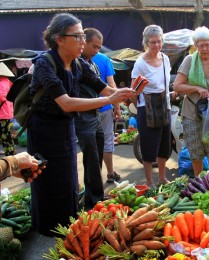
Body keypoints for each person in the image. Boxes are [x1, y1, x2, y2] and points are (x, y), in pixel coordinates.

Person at [28, 13, 135, 236]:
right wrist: (109, 100)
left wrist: (127, 93)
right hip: (43, 130)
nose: (82, 42)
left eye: (82, 36)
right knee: (47, 178)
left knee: (68, 176)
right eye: (77, 37)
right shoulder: (44, 64)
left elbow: (104, 88)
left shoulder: (79, 64)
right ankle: (47, 227)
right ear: (59, 39)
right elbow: (65, 103)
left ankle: (67, 222)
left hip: (66, 127)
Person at [173, 26, 209, 176]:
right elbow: (177, 86)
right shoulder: (189, 60)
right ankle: (200, 182)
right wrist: (197, 89)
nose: (205, 48)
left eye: (207, 44)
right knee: (195, 150)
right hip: (192, 112)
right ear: (196, 46)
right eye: (201, 45)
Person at [131, 25, 171, 187]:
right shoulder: (140, 63)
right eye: (153, 42)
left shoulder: (165, 59)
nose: (156, 45)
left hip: (164, 107)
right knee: (148, 147)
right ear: (146, 43)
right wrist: (141, 107)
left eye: (159, 41)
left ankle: (162, 177)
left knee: (164, 146)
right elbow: (133, 91)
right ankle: (149, 182)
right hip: (147, 110)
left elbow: (166, 85)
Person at [74, 28, 105, 209]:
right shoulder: (76, 65)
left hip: (96, 115)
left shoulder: (92, 64)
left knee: (96, 159)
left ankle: (91, 198)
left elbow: (102, 88)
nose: (96, 50)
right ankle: (96, 202)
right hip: (82, 117)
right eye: (94, 46)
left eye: (99, 47)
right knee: (91, 159)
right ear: (83, 42)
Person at [92, 52, 122, 183]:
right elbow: (111, 84)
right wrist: (117, 106)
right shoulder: (104, 59)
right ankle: (110, 173)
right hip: (104, 106)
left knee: (90, 144)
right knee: (107, 139)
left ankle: (94, 178)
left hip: (84, 109)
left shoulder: (76, 58)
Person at [0, 62, 16, 156]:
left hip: (3, 112)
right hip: (6, 111)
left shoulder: (2, 83)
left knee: (5, 135)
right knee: (5, 133)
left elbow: (1, 97)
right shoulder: (7, 81)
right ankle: (10, 152)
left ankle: (10, 153)